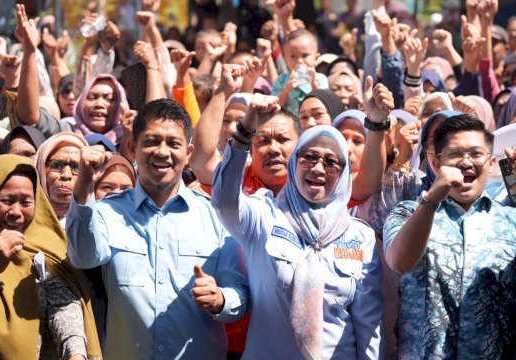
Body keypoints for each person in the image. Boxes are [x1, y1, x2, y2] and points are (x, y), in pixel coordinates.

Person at [66, 99, 248, 359]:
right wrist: (84, 185)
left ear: (188, 154)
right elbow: (83, 257)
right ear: (132, 147)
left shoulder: (215, 216)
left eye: (173, 144)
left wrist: (220, 299)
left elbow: (239, 291)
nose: (162, 152)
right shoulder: (107, 212)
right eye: (151, 141)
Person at [211, 95, 382, 359]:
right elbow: (224, 201)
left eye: (331, 162)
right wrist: (246, 130)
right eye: (309, 157)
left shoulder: (360, 236)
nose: (318, 168)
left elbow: (368, 324)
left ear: (344, 172)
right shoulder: (264, 216)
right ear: (293, 164)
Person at [384, 114, 516, 358]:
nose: (466, 162)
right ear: (437, 164)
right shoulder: (407, 212)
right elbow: (399, 262)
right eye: (455, 153)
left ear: (492, 163)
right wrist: (432, 200)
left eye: (476, 154)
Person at [0, 154, 101, 360]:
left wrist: (75, 352)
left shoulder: (46, 248)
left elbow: (62, 303)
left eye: (26, 202)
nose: (16, 212)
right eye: (6, 200)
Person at [272, 29, 329, 116]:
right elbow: (276, 106)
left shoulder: (320, 79)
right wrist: (286, 90)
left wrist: (313, 84)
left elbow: (324, 103)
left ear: (316, 58)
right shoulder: (281, 80)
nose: (299, 61)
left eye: (305, 55)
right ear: (285, 59)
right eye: (293, 56)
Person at [35, 132, 89, 223]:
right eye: (57, 165)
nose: (66, 175)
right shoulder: (24, 215)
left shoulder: (96, 217)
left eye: (76, 167)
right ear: (41, 167)